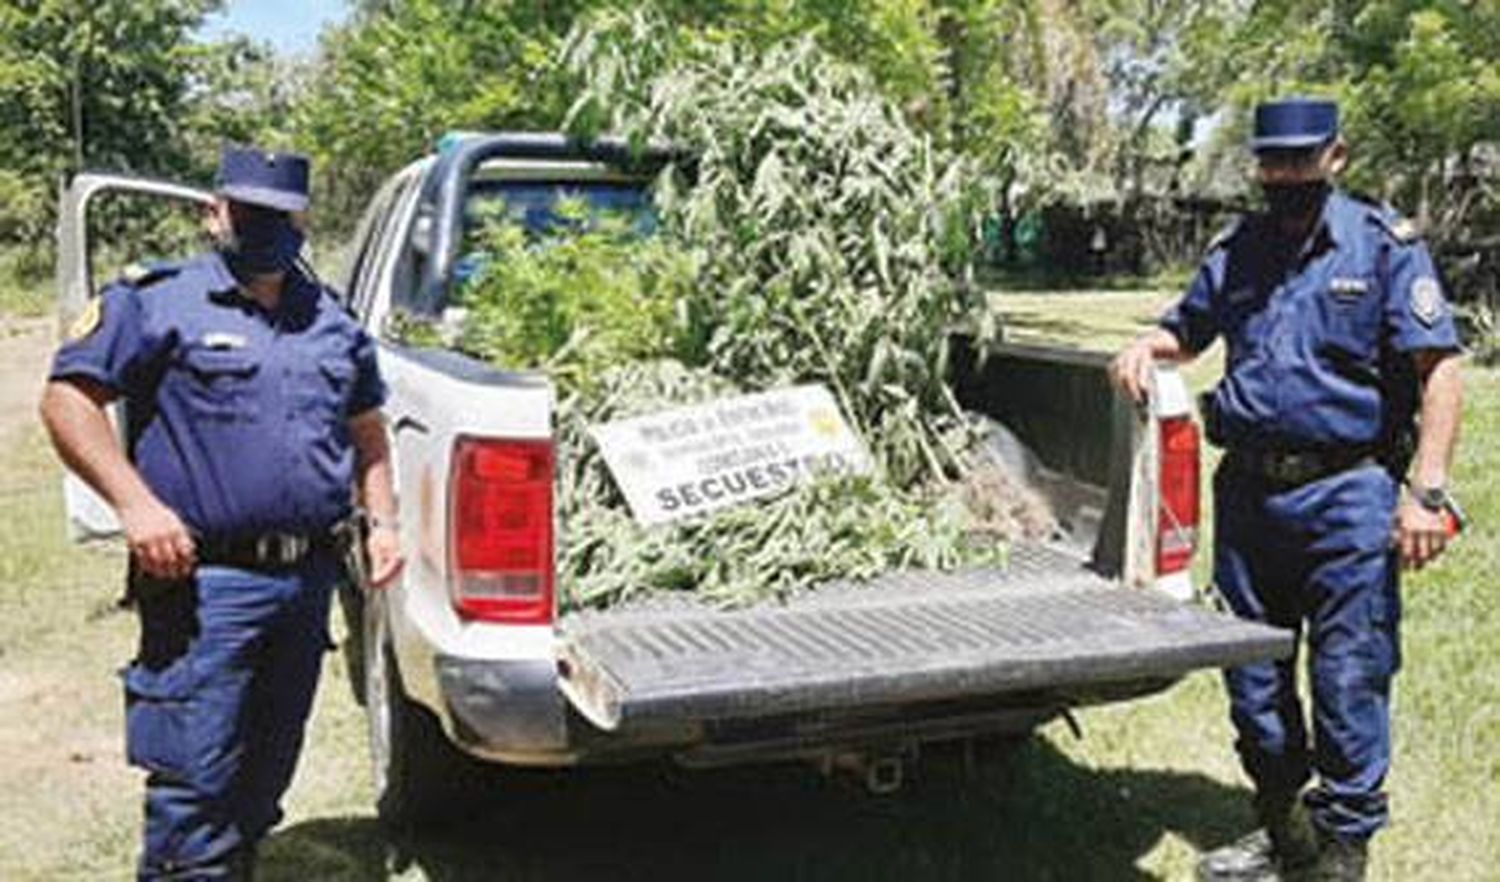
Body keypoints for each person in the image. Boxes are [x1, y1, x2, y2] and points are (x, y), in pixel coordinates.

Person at [1111, 98, 1464, 881]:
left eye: (1300, 161)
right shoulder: (1239, 249)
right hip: (1247, 501)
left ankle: (1342, 854)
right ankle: (1281, 830)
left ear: (1335, 157)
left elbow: (1439, 372)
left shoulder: (1383, 248)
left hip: (1347, 498)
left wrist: (1428, 495)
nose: (1285, 176)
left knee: (1348, 677)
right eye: (1272, 163)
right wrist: (1151, 344)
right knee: (1254, 686)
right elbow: (1190, 328)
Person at [39, 145, 405, 880]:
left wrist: (385, 521)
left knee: (262, 779)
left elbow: (368, 431)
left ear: (302, 220)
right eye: (250, 212)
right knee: (195, 784)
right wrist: (137, 508)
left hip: (306, 584)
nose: (268, 227)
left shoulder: (329, 318)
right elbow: (67, 401)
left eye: (283, 215)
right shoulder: (155, 299)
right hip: (205, 586)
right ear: (215, 214)